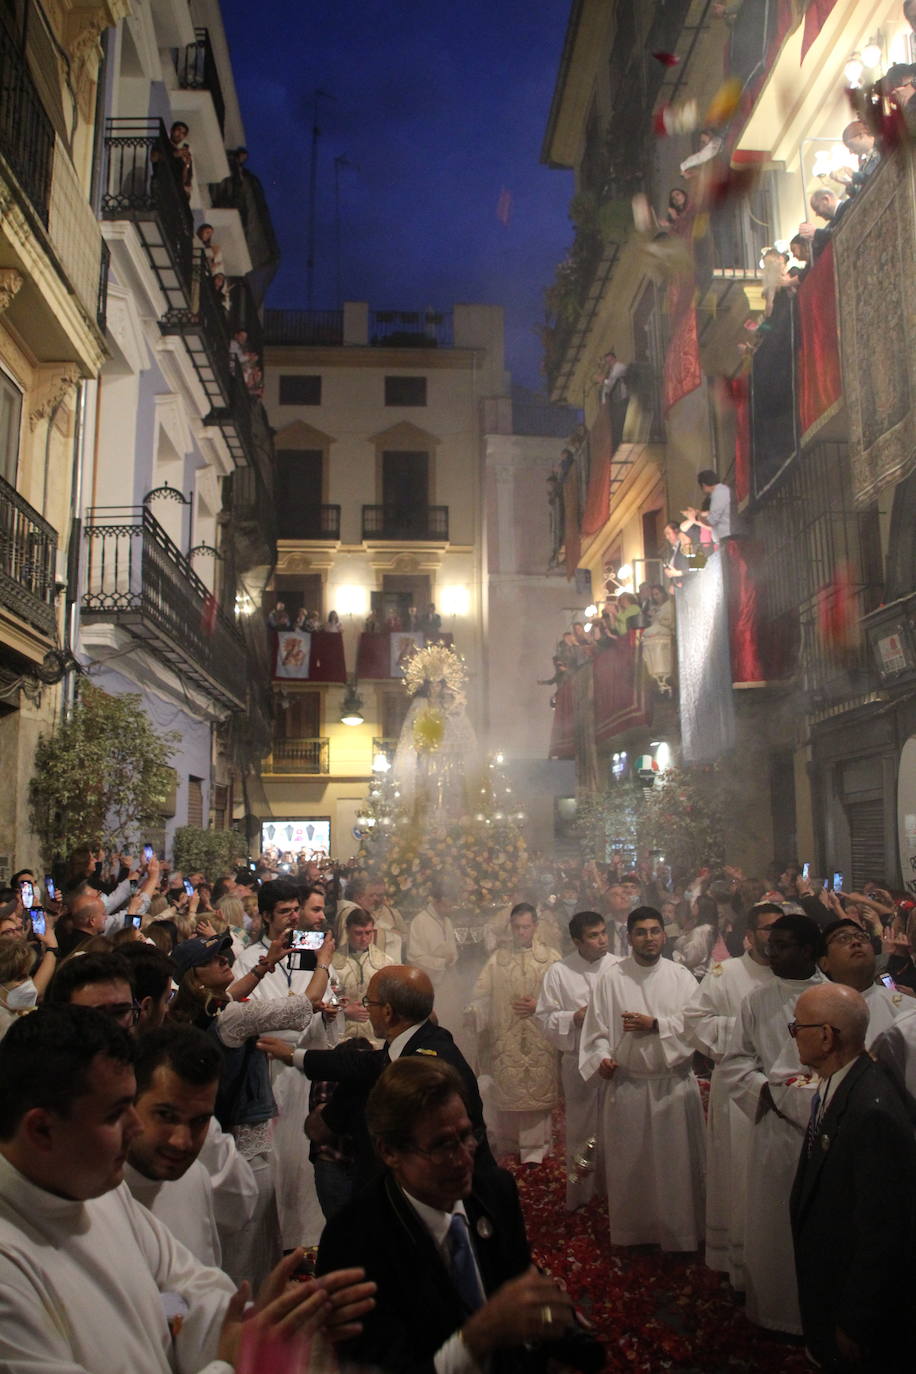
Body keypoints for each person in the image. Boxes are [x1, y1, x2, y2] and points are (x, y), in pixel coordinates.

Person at [0, 1004, 375, 1374]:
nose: (135, 1128)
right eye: (115, 1113)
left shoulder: (97, 1191)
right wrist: (235, 1359)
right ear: (42, 1129)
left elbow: (184, 1289)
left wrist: (248, 1328)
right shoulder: (10, 1261)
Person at [317, 1057, 596, 1374]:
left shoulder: (494, 1192)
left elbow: (515, 1281)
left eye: (466, 1136)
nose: (463, 1158)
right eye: (441, 1145)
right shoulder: (353, 1239)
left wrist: (547, 1320)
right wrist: (479, 1335)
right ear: (389, 1152)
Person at [268, 965, 496, 1192]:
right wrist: (293, 1056)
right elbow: (361, 1063)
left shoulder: (423, 1067)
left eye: (369, 1003)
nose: (367, 1009)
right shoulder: (421, 1039)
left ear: (388, 1012)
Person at [789, 984, 916, 1371]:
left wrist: (855, 1321)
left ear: (826, 1036)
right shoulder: (842, 1082)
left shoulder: (870, 1109)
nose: (793, 1034)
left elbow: (883, 1231)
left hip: (850, 1305)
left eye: (798, 1027)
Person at [717, 914, 825, 1335]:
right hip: (774, 1125)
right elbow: (736, 1060)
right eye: (770, 943)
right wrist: (764, 1092)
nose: (770, 951)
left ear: (806, 950)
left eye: (781, 945)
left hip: (823, 1125)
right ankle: (776, 1309)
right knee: (774, 1219)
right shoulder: (757, 1000)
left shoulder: (833, 995)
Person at [579, 907, 706, 1251]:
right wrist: (601, 1058)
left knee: (674, 1168)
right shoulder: (613, 978)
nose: (649, 938)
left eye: (654, 931)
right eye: (641, 932)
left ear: (665, 935)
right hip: (629, 1085)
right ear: (629, 937)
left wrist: (657, 1025)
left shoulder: (681, 976)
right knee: (629, 1166)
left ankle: (679, 1235)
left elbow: (698, 1027)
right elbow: (596, 1030)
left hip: (672, 1086)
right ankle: (634, 1234)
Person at [233, 881, 340, 1254]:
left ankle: (309, 1238)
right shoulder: (249, 960)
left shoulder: (314, 954)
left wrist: (327, 1011)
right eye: (285, 912)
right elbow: (251, 1013)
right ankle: (276, 1241)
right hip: (270, 1072)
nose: (294, 917)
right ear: (265, 916)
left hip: (308, 1066)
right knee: (276, 1161)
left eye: (297, 910)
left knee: (306, 1161)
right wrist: (300, 1010)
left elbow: (329, 993)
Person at [683, 901, 779, 1288]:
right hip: (739, 1085)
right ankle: (739, 1266)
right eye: (768, 928)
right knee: (739, 1172)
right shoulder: (726, 974)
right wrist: (745, 1033)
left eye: (781, 928)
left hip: (785, 1087)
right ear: (749, 936)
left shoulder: (798, 973)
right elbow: (695, 1020)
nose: (775, 936)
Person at [124, 1025, 255, 1268]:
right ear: (128, 1104)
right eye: (166, 1115)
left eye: (200, 1121)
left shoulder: (196, 1178)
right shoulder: (90, 1196)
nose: (182, 1142)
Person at [466, 904, 561, 1163]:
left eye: (526, 926)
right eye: (517, 927)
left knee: (536, 1089)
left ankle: (536, 1147)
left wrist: (538, 1006)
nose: (521, 932)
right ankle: (510, 1142)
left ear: (535, 927)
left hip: (539, 1037)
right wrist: (474, 1011)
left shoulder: (551, 958)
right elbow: (481, 994)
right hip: (507, 1037)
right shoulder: (498, 959)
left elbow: (563, 999)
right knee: (508, 1088)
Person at [535, 911, 617, 1209]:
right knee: (582, 1128)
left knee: (617, 1127)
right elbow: (544, 1018)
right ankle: (581, 1193)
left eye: (603, 933)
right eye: (593, 936)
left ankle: (616, 1192)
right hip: (578, 1059)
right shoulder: (560, 971)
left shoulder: (619, 967)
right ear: (576, 941)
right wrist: (574, 1017)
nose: (602, 940)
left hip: (615, 1062)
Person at [818, 917, 905, 1040]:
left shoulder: (908, 1006)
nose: (855, 942)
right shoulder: (814, 1017)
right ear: (824, 963)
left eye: (861, 937)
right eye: (843, 939)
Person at [333, 908, 394, 1042]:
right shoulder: (331, 962)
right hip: (341, 1034)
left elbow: (392, 1001)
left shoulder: (386, 963)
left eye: (368, 932)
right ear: (347, 930)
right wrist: (343, 1011)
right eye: (358, 933)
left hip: (374, 1034)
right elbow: (322, 999)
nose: (364, 938)